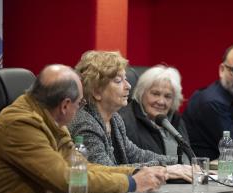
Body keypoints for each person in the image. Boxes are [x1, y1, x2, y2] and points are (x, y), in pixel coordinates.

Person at [0, 64, 168, 193]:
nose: (80, 109)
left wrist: (135, 173)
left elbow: (81, 168)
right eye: (80, 103)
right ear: (65, 105)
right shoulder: (20, 124)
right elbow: (66, 179)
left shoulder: (51, 118)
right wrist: (131, 183)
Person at [68, 51, 192, 181]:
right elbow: (105, 170)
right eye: (118, 81)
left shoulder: (114, 119)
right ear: (97, 91)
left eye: (125, 79)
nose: (128, 86)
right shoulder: (85, 124)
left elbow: (137, 154)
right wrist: (165, 169)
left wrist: (180, 163)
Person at [119, 65, 191, 164]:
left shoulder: (176, 119)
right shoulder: (124, 121)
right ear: (141, 92)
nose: (161, 101)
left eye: (168, 96)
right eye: (155, 94)